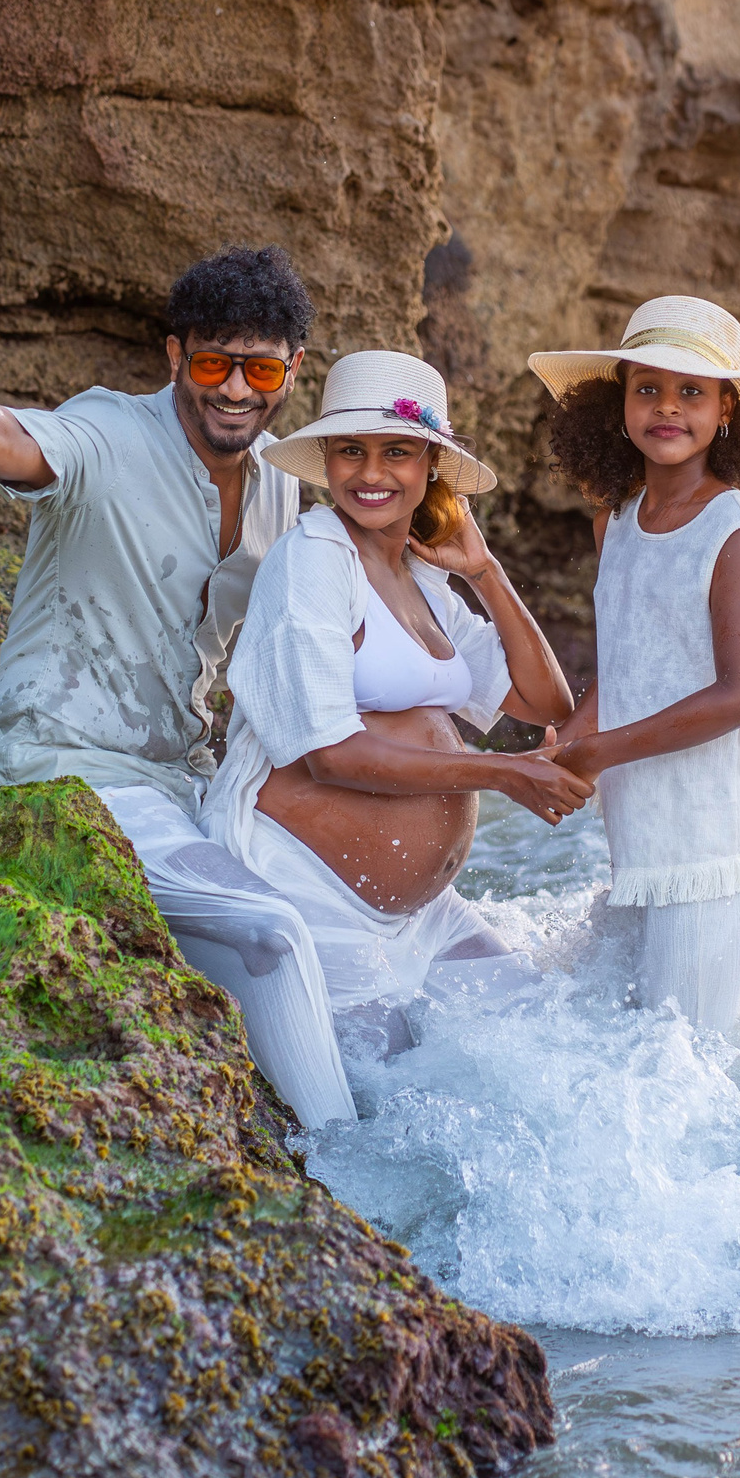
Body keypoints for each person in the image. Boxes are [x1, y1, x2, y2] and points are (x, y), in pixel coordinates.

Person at [0, 244, 358, 1126]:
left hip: (189, 788)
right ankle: (345, 1170)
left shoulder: (283, 483)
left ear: (294, 370)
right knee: (274, 931)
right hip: (62, 778)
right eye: (212, 363)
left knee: (351, 938)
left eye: (261, 367)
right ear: (175, 356)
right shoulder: (113, 431)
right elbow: (17, 438)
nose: (235, 389)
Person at [201, 350, 590, 1063]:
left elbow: (544, 702)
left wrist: (485, 570)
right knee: (391, 1115)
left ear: (432, 467)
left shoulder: (422, 575)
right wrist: (501, 774)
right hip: (309, 899)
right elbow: (332, 753)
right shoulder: (313, 558)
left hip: (420, 917)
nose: (372, 473)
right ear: (326, 457)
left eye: (398, 452)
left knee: (551, 1044)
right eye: (351, 450)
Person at [529, 295, 740, 1034]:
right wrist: (568, 743)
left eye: (692, 391)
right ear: (617, 402)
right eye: (647, 387)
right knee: (616, 1050)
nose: (668, 407)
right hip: (643, 834)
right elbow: (624, 663)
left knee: (679, 1069)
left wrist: (601, 751)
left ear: (726, 411)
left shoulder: (732, 532)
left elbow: (739, 697)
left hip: (713, 843)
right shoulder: (616, 524)